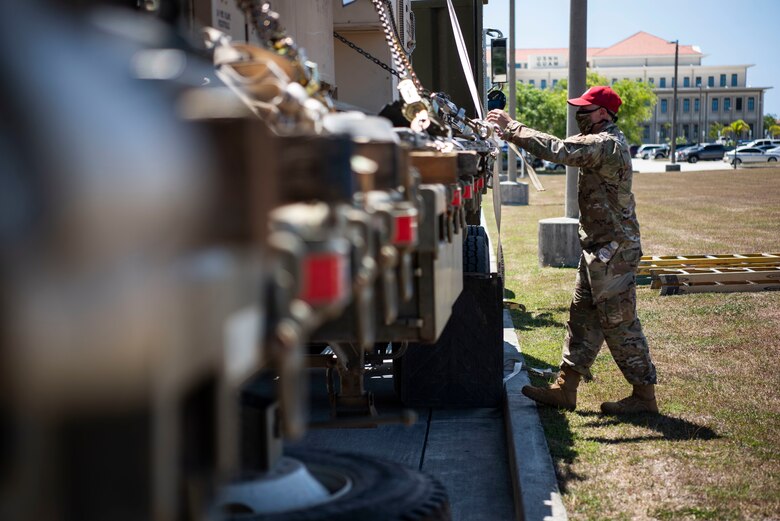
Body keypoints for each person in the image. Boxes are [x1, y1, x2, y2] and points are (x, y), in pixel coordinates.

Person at [486, 86, 658, 415]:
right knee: (582, 318)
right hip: (598, 247)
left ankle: (644, 396)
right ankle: (566, 389)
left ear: (604, 114)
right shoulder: (601, 139)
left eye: (586, 110)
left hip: (614, 253)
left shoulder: (605, 143)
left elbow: (561, 149)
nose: (580, 115)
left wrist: (513, 128)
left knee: (619, 323)